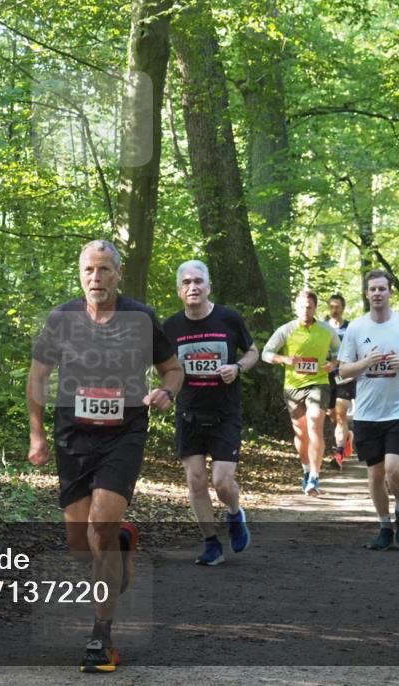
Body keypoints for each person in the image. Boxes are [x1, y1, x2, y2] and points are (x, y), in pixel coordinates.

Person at [26, 239, 183, 673]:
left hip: (124, 435)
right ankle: (122, 545)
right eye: (88, 271)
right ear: (80, 274)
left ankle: (102, 638)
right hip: (73, 437)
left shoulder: (141, 318)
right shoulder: (62, 319)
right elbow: (38, 376)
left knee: (100, 529)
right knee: (82, 547)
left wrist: (167, 392)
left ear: (118, 274)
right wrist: (37, 436)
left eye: (104, 270)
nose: (96, 278)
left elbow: (173, 367)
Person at [162, 260, 259, 566]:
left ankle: (234, 513)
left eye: (199, 282)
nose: (193, 287)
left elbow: (253, 352)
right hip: (188, 412)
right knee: (194, 480)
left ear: (208, 286)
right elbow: (164, 366)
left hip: (224, 413)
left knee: (222, 482)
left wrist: (237, 367)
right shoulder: (171, 327)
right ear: (180, 290)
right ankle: (211, 544)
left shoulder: (228, 318)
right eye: (187, 283)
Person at [338, 269, 399, 550]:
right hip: (366, 413)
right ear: (366, 294)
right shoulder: (356, 328)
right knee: (375, 474)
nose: (377, 293)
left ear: (390, 292)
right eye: (372, 289)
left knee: (393, 468)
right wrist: (365, 363)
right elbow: (343, 370)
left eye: (382, 288)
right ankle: (383, 526)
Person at [263, 289, 341, 497]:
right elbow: (266, 353)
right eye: (302, 306)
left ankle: (315, 476)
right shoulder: (286, 330)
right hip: (293, 386)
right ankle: (306, 468)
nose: (306, 310)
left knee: (315, 424)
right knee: (301, 432)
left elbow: (340, 353)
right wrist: (284, 359)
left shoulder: (327, 330)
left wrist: (332, 363)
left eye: (309, 306)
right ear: (296, 307)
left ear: (315, 308)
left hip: (319, 383)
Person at [325, 293, 356, 468]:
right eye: (331, 307)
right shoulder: (322, 328)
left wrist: (353, 373)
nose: (334, 310)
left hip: (345, 376)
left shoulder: (350, 329)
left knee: (340, 413)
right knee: (332, 415)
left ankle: (338, 454)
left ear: (343, 308)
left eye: (337, 307)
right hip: (327, 376)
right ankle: (347, 437)